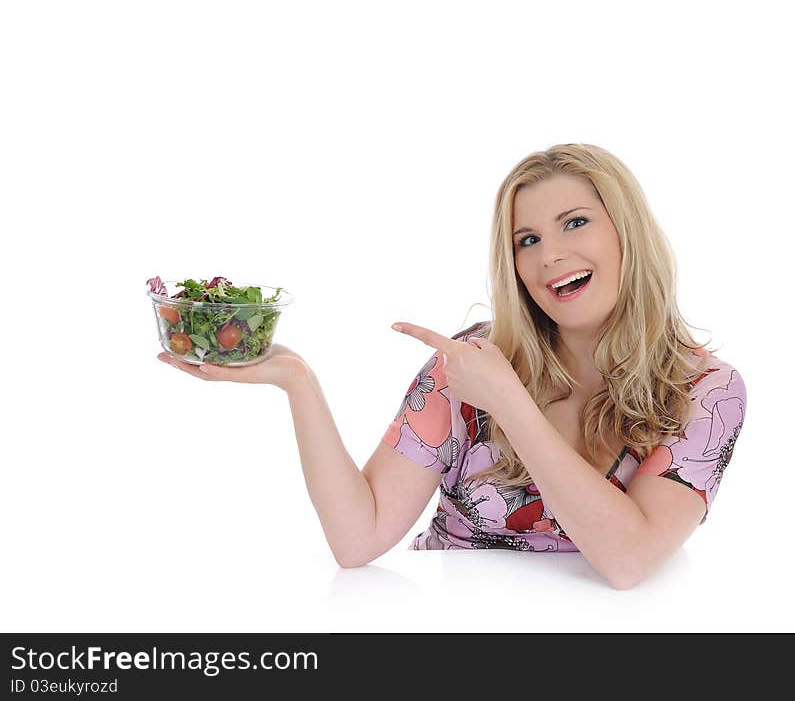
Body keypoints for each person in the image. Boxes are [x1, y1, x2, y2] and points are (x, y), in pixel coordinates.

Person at [157, 143, 747, 590]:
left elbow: (629, 560)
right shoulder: (470, 363)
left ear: (628, 233)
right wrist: (298, 382)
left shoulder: (706, 391)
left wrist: (509, 403)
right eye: (526, 240)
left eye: (575, 222)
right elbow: (358, 539)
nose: (550, 256)